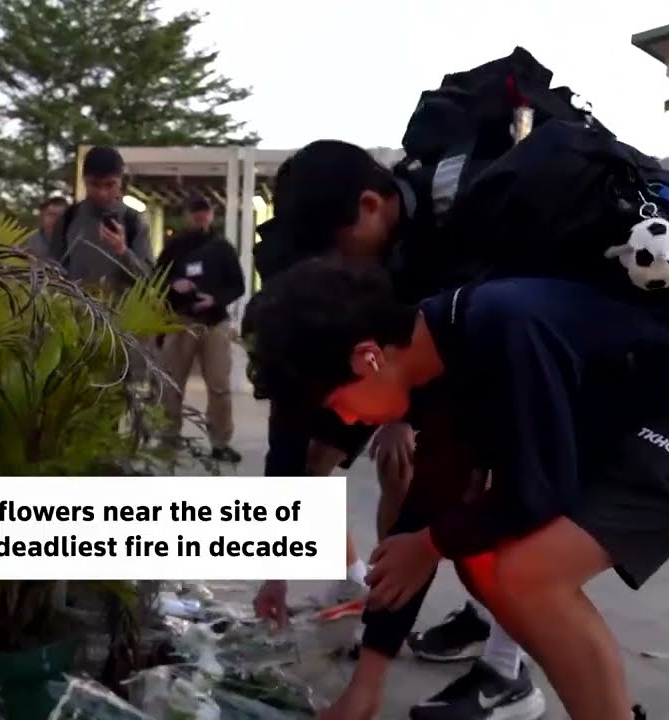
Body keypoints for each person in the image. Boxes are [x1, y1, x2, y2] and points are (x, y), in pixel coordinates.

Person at [251, 257, 669, 720]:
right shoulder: (437, 359)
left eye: (337, 404)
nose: (346, 420)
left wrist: (429, 543)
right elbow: (424, 514)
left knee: (527, 572)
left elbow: (537, 494)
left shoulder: (502, 327)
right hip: (637, 433)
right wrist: (366, 688)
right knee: (480, 561)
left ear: (368, 357)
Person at [250, 140, 547, 720]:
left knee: (482, 530)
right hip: (415, 371)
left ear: (369, 206)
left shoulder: (461, 234)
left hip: (557, 393)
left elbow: (482, 484)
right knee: (416, 503)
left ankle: (507, 666)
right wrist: (275, 569)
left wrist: (406, 420)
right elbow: (291, 427)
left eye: (338, 253)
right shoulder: (331, 267)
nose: (336, 269)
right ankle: (392, 600)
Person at [153, 195, 246, 463]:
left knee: (219, 386)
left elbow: (237, 285)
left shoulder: (222, 248)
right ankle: (168, 437)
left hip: (214, 322)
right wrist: (173, 285)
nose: (199, 216)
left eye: (204, 211)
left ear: (211, 214)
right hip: (180, 321)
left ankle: (220, 442)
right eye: (194, 211)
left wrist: (215, 299)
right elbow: (156, 280)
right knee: (172, 384)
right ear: (186, 215)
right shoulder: (174, 247)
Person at [41, 146, 152, 292]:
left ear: (120, 181)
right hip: (74, 303)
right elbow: (51, 271)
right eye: (94, 184)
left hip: (121, 306)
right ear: (84, 180)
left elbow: (149, 278)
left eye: (109, 184)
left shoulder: (134, 222)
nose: (102, 193)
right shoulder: (68, 218)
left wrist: (123, 252)